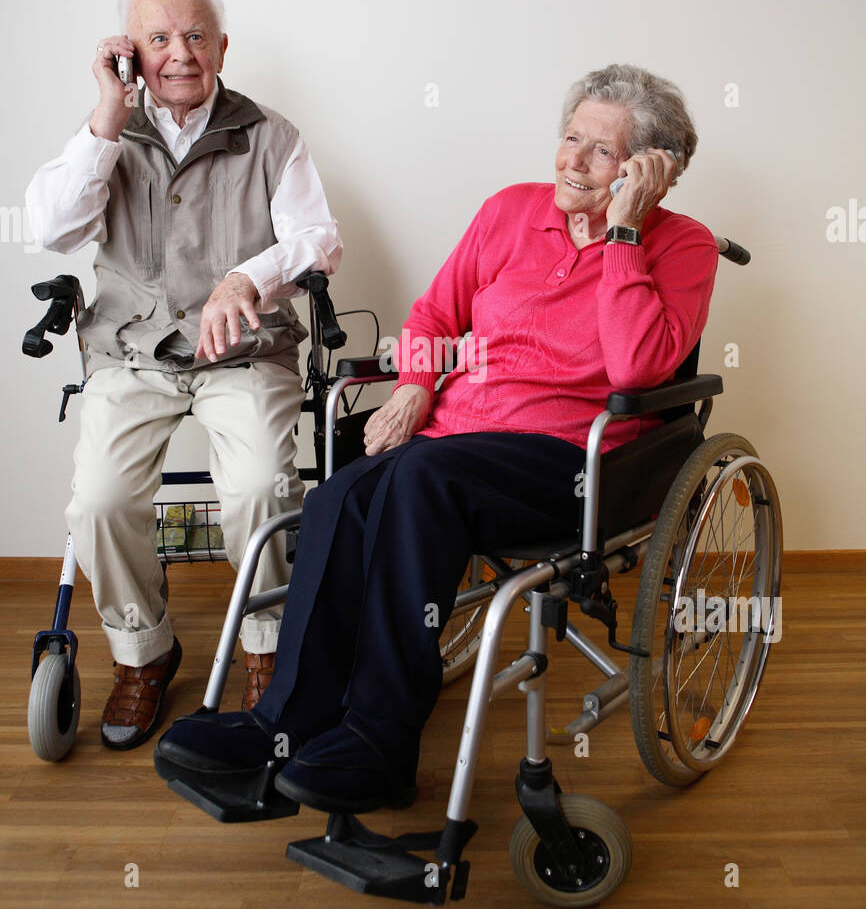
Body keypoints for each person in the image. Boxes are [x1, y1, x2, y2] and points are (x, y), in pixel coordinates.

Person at [155, 62, 718, 814]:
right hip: (455, 442)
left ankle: (380, 744)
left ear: (653, 173)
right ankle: (283, 726)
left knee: (419, 483)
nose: (574, 161)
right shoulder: (509, 211)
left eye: (603, 152)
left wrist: (622, 232)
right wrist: (418, 385)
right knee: (339, 499)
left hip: (573, 460)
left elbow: (641, 366)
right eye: (570, 138)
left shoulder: (682, 247)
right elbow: (432, 317)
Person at [26, 0, 342, 748]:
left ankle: (264, 649)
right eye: (158, 40)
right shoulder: (107, 132)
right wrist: (108, 112)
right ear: (130, 53)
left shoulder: (271, 134)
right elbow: (53, 230)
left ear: (222, 49)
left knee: (260, 489)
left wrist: (248, 277)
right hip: (131, 351)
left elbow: (318, 239)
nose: (179, 54)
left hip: (242, 353)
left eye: (196, 36)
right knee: (97, 500)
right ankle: (145, 652)